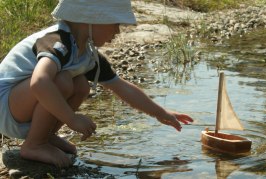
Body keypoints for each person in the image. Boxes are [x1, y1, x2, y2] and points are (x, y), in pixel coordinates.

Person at [0, 0, 194, 168]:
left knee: (81, 85)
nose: (118, 31)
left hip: (20, 109)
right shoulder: (57, 40)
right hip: (5, 107)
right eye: (115, 23)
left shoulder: (87, 54)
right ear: (92, 19)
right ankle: (35, 144)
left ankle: (44, 135)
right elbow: (39, 82)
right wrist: (72, 119)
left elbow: (121, 87)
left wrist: (161, 113)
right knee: (63, 81)